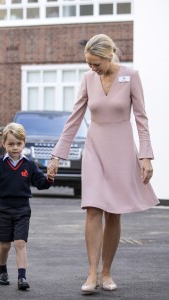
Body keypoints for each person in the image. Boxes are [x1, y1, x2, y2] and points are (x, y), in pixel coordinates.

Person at [47, 34, 159, 295]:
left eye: (96, 63)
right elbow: (74, 119)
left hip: (121, 149)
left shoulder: (131, 76)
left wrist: (145, 155)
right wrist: (56, 156)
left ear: (109, 56)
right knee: (92, 208)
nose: (92, 69)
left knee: (113, 212)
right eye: (89, 63)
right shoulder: (88, 79)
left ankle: (106, 272)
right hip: (95, 149)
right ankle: (91, 273)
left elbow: (141, 119)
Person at [0, 122, 55, 290]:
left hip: (23, 209)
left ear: (24, 143)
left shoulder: (29, 165)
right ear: (3, 144)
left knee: (20, 242)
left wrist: (49, 179)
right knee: (5, 245)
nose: (15, 147)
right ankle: (2, 269)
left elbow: (40, 183)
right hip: (4, 208)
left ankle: (22, 277)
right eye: (11, 144)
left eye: (18, 143)